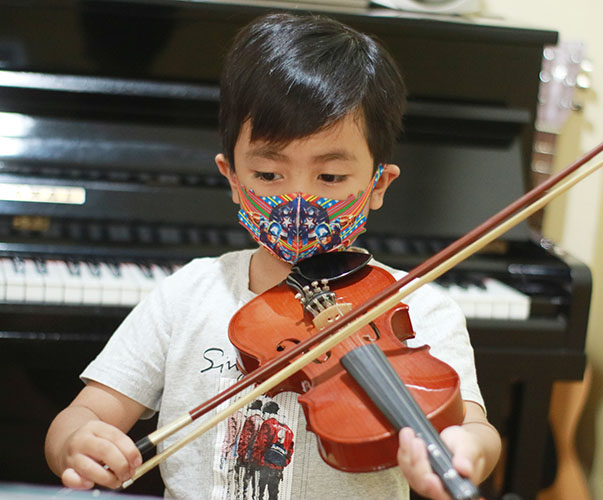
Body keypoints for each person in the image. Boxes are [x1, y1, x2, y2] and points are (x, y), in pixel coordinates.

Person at [44, 12, 502, 500]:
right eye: (268, 175)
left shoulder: (417, 308)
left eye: (330, 177)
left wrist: (466, 450)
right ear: (232, 178)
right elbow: (84, 414)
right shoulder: (187, 296)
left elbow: (474, 429)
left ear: (378, 185)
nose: (298, 201)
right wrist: (76, 441)